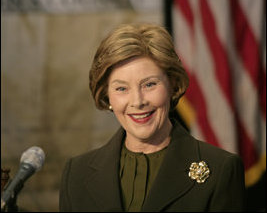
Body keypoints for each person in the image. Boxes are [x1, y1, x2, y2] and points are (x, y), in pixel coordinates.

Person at [59, 22, 246, 212]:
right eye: (121, 88)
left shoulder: (220, 170)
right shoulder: (76, 174)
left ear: (172, 85)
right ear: (107, 96)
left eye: (149, 84)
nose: (137, 101)